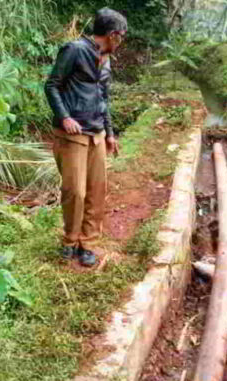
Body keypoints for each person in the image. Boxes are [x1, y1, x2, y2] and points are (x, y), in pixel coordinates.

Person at [45, 8, 127, 267]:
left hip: (97, 136)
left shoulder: (106, 60)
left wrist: (110, 134)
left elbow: (104, 99)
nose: (121, 42)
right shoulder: (74, 50)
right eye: (121, 37)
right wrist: (65, 116)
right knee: (75, 192)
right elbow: (51, 85)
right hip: (73, 136)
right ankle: (70, 240)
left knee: (96, 192)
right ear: (113, 35)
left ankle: (87, 244)